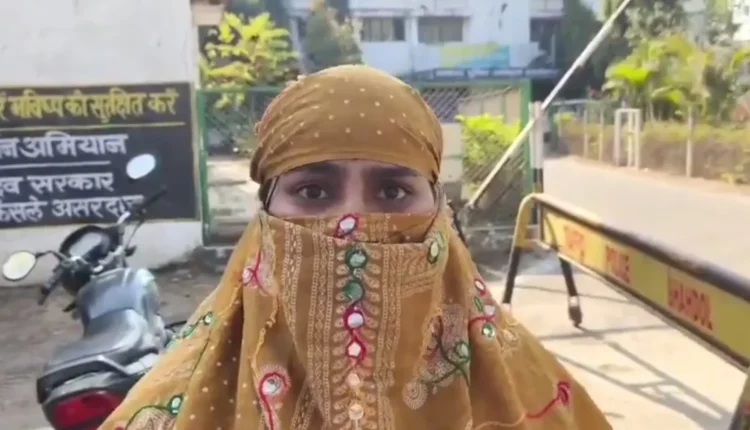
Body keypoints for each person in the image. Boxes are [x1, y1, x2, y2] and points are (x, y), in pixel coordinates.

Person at [99, 65, 610, 430]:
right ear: (265, 213)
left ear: (439, 210)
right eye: (312, 191)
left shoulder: (534, 398)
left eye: (393, 192)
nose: (352, 226)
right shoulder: (178, 405)